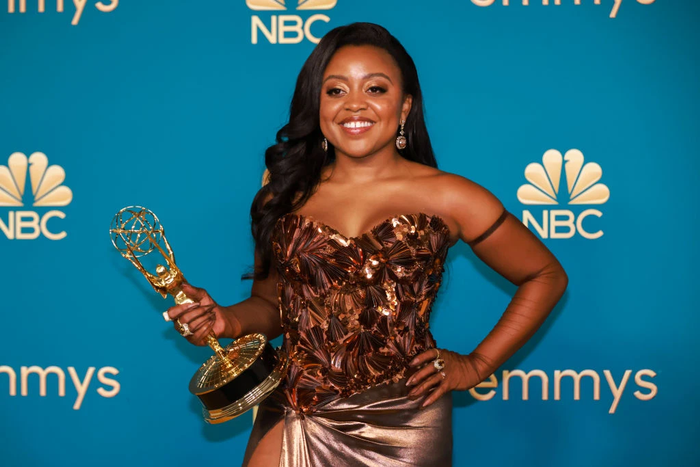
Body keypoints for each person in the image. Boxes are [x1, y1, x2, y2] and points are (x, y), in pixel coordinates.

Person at [165, 22, 568, 467]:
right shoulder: (281, 197)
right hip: (296, 409)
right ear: (316, 105)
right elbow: (272, 306)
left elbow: (545, 275)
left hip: (406, 420)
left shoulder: (453, 197)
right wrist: (226, 320)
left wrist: (477, 366)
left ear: (405, 106)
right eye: (335, 91)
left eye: (375, 88)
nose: (354, 104)